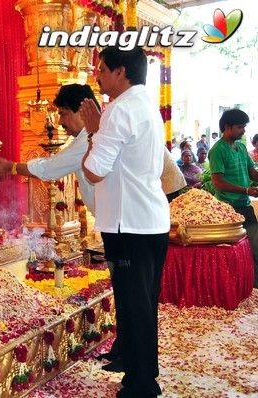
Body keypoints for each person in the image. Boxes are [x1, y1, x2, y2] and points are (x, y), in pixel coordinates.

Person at [80, 46, 169, 398]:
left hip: (127, 224)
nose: (97, 75)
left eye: (102, 69)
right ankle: (136, 365)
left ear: (121, 72)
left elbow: (94, 172)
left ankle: (142, 384)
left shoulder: (117, 111)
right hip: (149, 220)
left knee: (134, 305)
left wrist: (92, 131)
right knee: (141, 302)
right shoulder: (146, 104)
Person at [0, 84, 100, 215]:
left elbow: (50, 168)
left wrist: (9, 167)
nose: (60, 122)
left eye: (63, 114)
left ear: (82, 111)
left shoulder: (87, 140)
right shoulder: (86, 137)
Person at [209, 109, 258, 288]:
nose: (244, 131)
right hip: (227, 210)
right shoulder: (217, 150)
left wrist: (249, 188)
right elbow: (218, 183)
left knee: (255, 250)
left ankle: (253, 290)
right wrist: (246, 190)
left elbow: (252, 173)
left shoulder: (242, 147)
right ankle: (233, 289)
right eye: (240, 127)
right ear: (227, 127)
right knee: (230, 254)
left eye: (244, 126)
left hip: (245, 208)